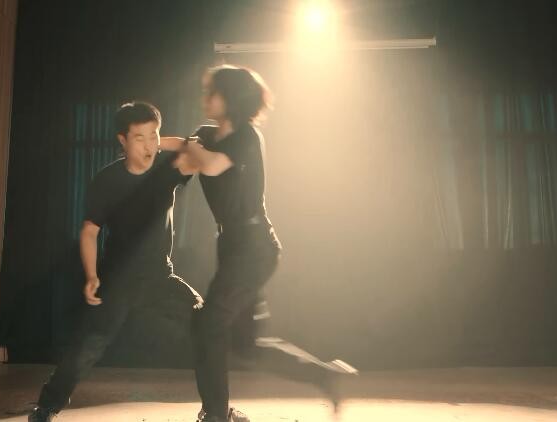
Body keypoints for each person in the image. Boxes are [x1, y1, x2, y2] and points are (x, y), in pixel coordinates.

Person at [161, 66, 358, 422]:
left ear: (231, 98)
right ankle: (325, 376)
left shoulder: (247, 137)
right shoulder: (205, 134)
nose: (206, 97)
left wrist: (189, 147)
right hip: (233, 245)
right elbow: (183, 150)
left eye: (212, 91)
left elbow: (212, 166)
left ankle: (216, 414)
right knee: (248, 346)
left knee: (208, 324)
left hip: (255, 246)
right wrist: (149, 143)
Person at [29, 101, 203, 422]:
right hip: (117, 280)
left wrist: (156, 141)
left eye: (154, 135)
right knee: (88, 346)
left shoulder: (167, 168)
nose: (149, 146)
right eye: (139, 138)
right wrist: (92, 276)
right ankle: (47, 407)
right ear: (122, 140)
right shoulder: (107, 180)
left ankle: (215, 409)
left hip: (159, 276)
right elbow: (89, 231)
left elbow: (196, 148)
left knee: (205, 321)